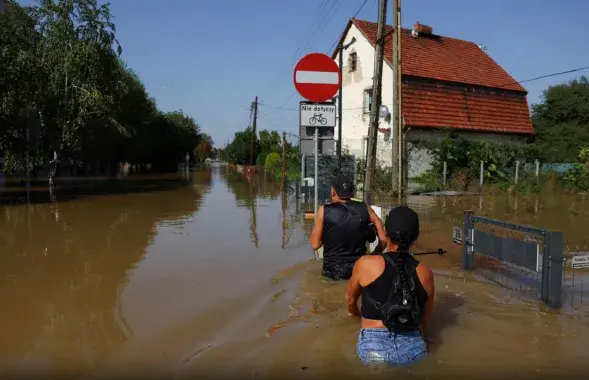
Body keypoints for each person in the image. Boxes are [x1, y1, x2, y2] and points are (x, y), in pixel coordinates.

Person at [346, 205, 435, 366]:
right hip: (414, 349)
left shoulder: (365, 264)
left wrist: (356, 317)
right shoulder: (425, 271)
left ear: (385, 231)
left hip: (372, 348)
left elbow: (351, 302)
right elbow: (424, 321)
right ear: (416, 237)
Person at [309, 174, 387, 280]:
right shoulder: (365, 208)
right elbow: (383, 239)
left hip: (332, 272)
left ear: (333, 191)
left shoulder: (323, 211)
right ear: (351, 192)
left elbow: (315, 244)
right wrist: (374, 254)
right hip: (359, 270)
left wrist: (331, 232)